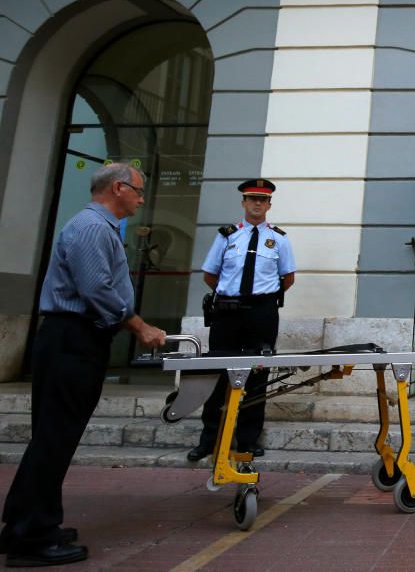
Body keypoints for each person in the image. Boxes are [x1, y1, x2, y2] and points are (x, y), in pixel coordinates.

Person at [1, 163, 166, 567]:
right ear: (118, 188)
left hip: (73, 339)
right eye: (139, 191)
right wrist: (139, 327)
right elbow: (97, 289)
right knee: (54, 438)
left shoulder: (97, 227)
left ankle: (24, 524)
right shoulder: (93, 228)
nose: (142, 199)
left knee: (51, 437)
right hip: (72, 340)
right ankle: (31, 540)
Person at [187, 179, 296, 462]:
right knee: (218, 373)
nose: (257, 203)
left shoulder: (279, 239)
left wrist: (259, 299)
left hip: (262, 313)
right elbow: (210, 275)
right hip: (227, 313)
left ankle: (248, 440)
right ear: (243, 203)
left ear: (269, 204)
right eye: (251, 199)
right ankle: (209, 439)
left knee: (257, 376)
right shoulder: (227, 236)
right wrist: (232, 295)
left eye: (262, 199)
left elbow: (288, 278)